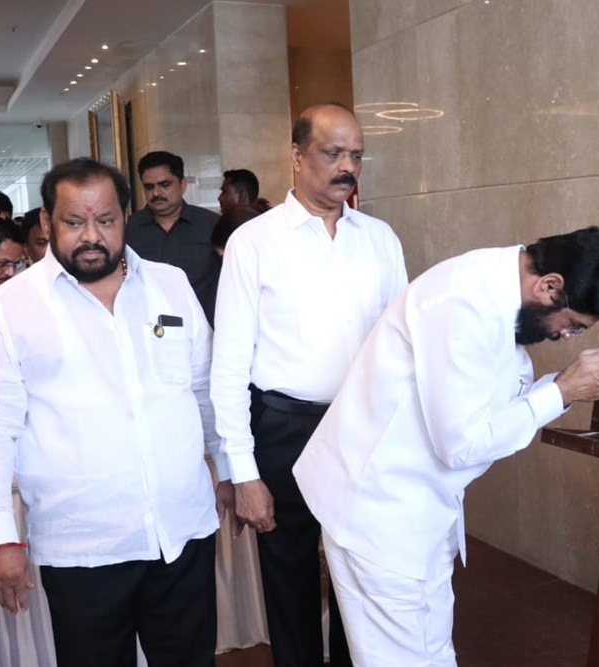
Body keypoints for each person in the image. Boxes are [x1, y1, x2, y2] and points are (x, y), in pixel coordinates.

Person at [293, 227, 599, 665]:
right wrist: (562, 391)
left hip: (417, 509)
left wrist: (563, 387)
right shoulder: (462, 302)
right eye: (573, 326)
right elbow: (462, 445)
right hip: (378, 512)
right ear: (550, 285)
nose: (565, 337)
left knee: (432, 652)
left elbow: (485, 409)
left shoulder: (497, 285)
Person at [0, 158, 232, 667]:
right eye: (73, 222)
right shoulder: (11, 308)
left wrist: (229, 470)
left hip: (182, 533)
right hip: (83, 547)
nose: (91, 236)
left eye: (105, 220)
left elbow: (202, 390)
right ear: (46, 222)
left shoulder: (169, 285)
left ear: (125, 217)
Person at [211, 102, 407, 667]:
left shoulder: (380, 239)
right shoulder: (255, 242)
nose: (347, 167)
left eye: (356, 155)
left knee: (360, 572)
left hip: (364, 427)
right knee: (289, 576)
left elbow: (402, 343)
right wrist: (243, 473)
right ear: (296, 156)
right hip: (284, 428)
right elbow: (228, 365)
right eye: (333, 153)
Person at [126, 151, 222, 324]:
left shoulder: (212, 226)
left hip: (203, 331)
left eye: (165, 184)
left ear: (182, 184)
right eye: (149, 187)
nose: (156, 193)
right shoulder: (128, 229)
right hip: (147, 333)